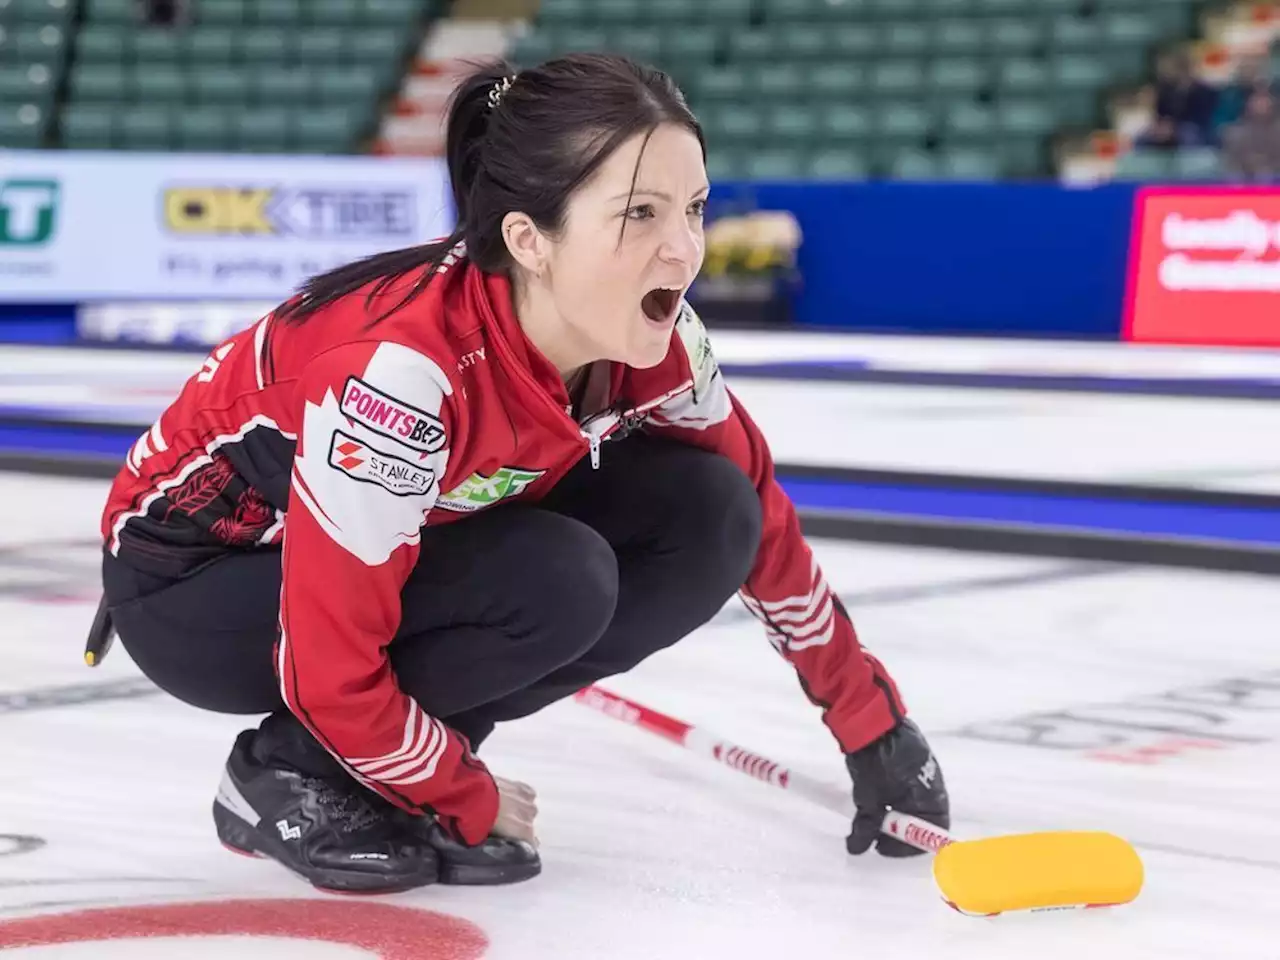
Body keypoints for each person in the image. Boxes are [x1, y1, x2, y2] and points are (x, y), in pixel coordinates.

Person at [92, 53, 949, 895]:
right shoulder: (402, 376)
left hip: (388, 546)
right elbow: (327, 663)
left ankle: (389, 762)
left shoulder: (658, 343)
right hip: (197, 583)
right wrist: (462, 800)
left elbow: (756, 518)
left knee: (710, 515)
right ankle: (288, 773)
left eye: (693, 209)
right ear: (529, 240)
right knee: (554, 576)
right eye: (639, 216)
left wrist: (873, 723)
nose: (684, 250)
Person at [1222, 88, 1280, 183]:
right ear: (1248, 104)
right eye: (1257, 100)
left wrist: (1266, 169)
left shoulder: (1278, 132)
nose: (1261, 104)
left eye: (1265, 100)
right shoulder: (1234, 133)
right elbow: (1230, 163)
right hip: (1243, 181)